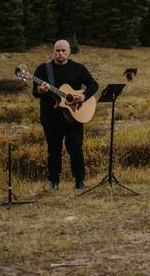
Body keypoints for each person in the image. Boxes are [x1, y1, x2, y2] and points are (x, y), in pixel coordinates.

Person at [32, 39, 99, 191]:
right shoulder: (43, 69)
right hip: (51, 116)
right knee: (54, 149)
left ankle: (80, 180)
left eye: (63, 50)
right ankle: (54, 182)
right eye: (57, 50)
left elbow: (94, 85)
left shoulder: (78, 68)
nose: (60, 53)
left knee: (75, 147)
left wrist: (83, 96)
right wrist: (40, 91)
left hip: (74, 116)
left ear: (69, 52)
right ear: (53, 52)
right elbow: (35, 93)